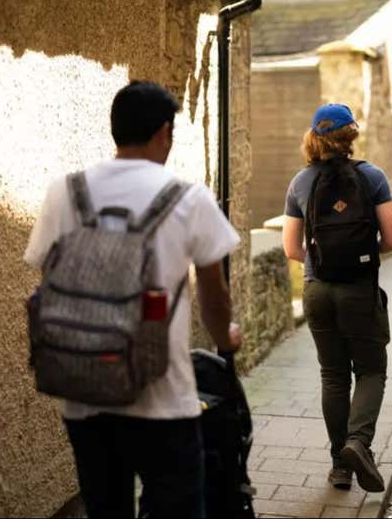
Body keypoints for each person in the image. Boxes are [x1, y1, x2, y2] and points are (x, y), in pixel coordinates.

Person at [24, 81, 242, 518]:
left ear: (116, 129)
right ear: (164, 132)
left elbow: (51, 279)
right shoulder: (189, 198)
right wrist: (226, 336)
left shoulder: (65, 192)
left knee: (105, 509)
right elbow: (213, 295)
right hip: (163, 398)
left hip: (83, 394)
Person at [282, 104, 392, 493]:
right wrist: (360, 255)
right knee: (370, 370)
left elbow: (291, 248)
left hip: (317, 291)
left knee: (333, 375)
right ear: (351, 136)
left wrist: (323, 260)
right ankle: (358, 443)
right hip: (359, 291)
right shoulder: (372, 176)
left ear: (315, 137)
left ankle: (339, 467)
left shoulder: (301, 182)